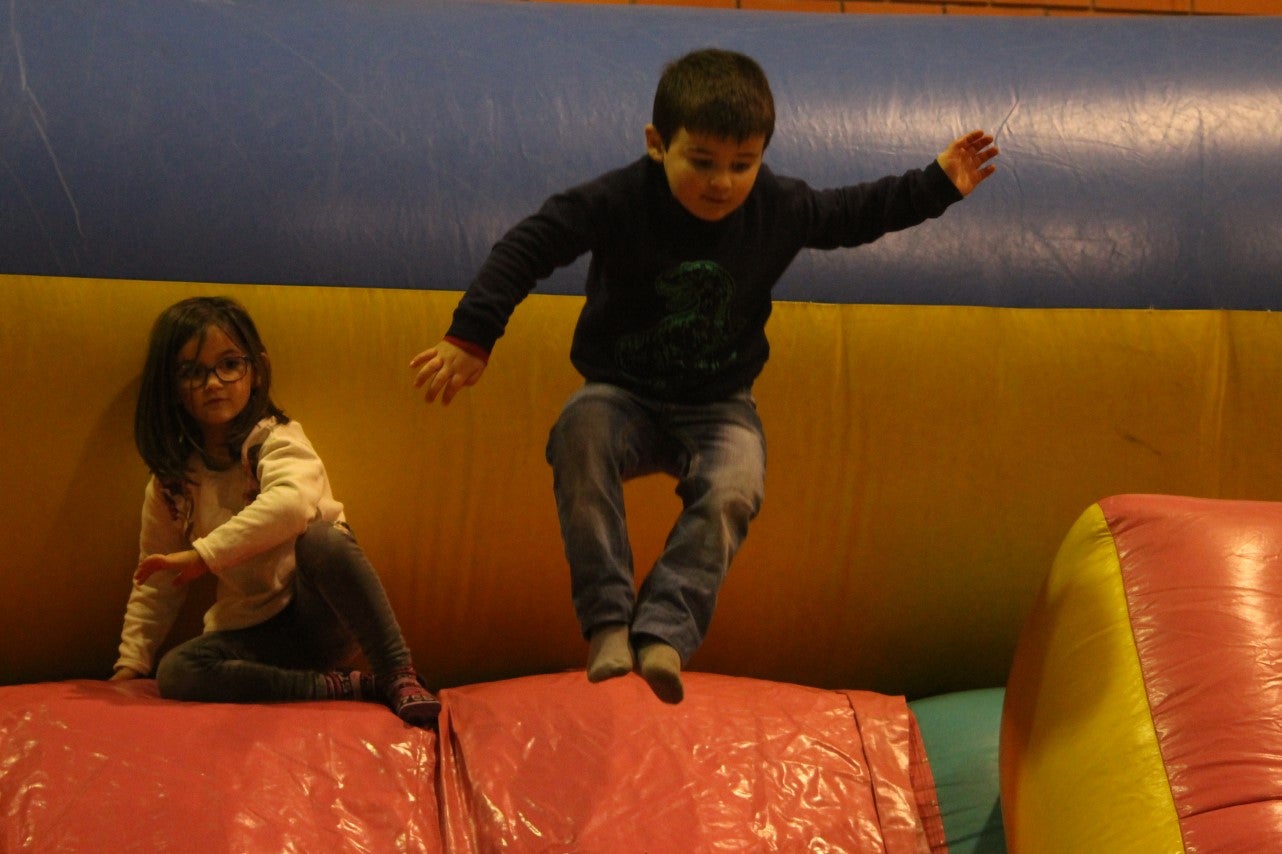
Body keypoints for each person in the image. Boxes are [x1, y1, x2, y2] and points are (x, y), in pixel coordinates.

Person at [410, 48, 998, 704]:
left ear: (762, 157)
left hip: (719, 404)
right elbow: (528, 245)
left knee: (734, 489)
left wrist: (938, 184)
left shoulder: (778, 207)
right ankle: (608, 620)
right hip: (621, 393)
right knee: (579, 435)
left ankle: (663, 628)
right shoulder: (616, 201)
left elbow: (854, 214)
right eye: (703, 162)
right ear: (658, 144)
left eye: (742, 166)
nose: (722, 183)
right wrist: (472, 334)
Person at [112, 296, 440, 727]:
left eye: (229, 364)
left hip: (319, 615)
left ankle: (396, 673)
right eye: (193, 372)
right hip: (253, 635)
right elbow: (156, 581)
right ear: (171, 386)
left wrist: (203, 556)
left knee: (325, 538)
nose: (213, 383)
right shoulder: (172, 484)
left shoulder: (276, 439)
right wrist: (130, 664)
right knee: (177, 671)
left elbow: (290, 505)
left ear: (257, 369)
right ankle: (339, 687)